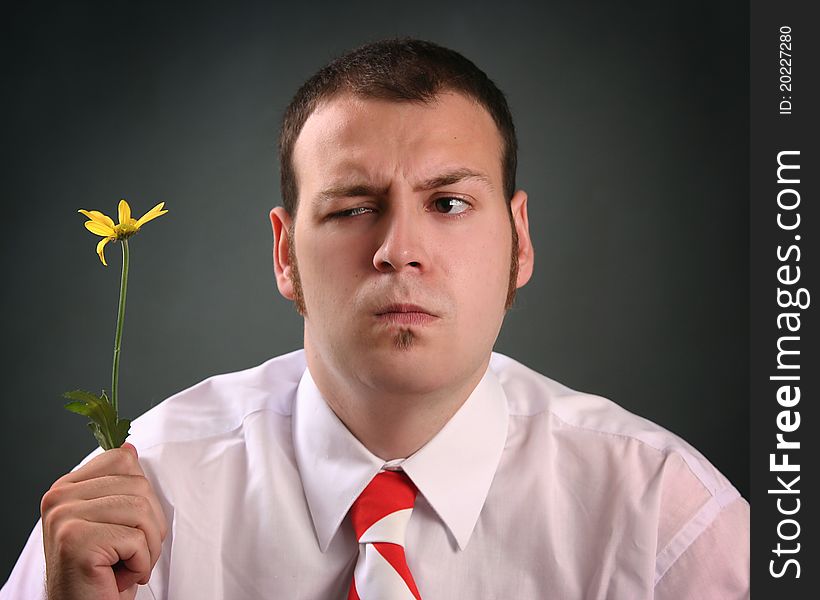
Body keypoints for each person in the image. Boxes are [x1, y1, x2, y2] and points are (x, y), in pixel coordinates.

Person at [1, 38, 749, 600]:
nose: (399, 251)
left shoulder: (664, 517)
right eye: (354, 208)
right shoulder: (138, 497)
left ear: (519, 242)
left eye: (449, 204)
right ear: (286, 252)